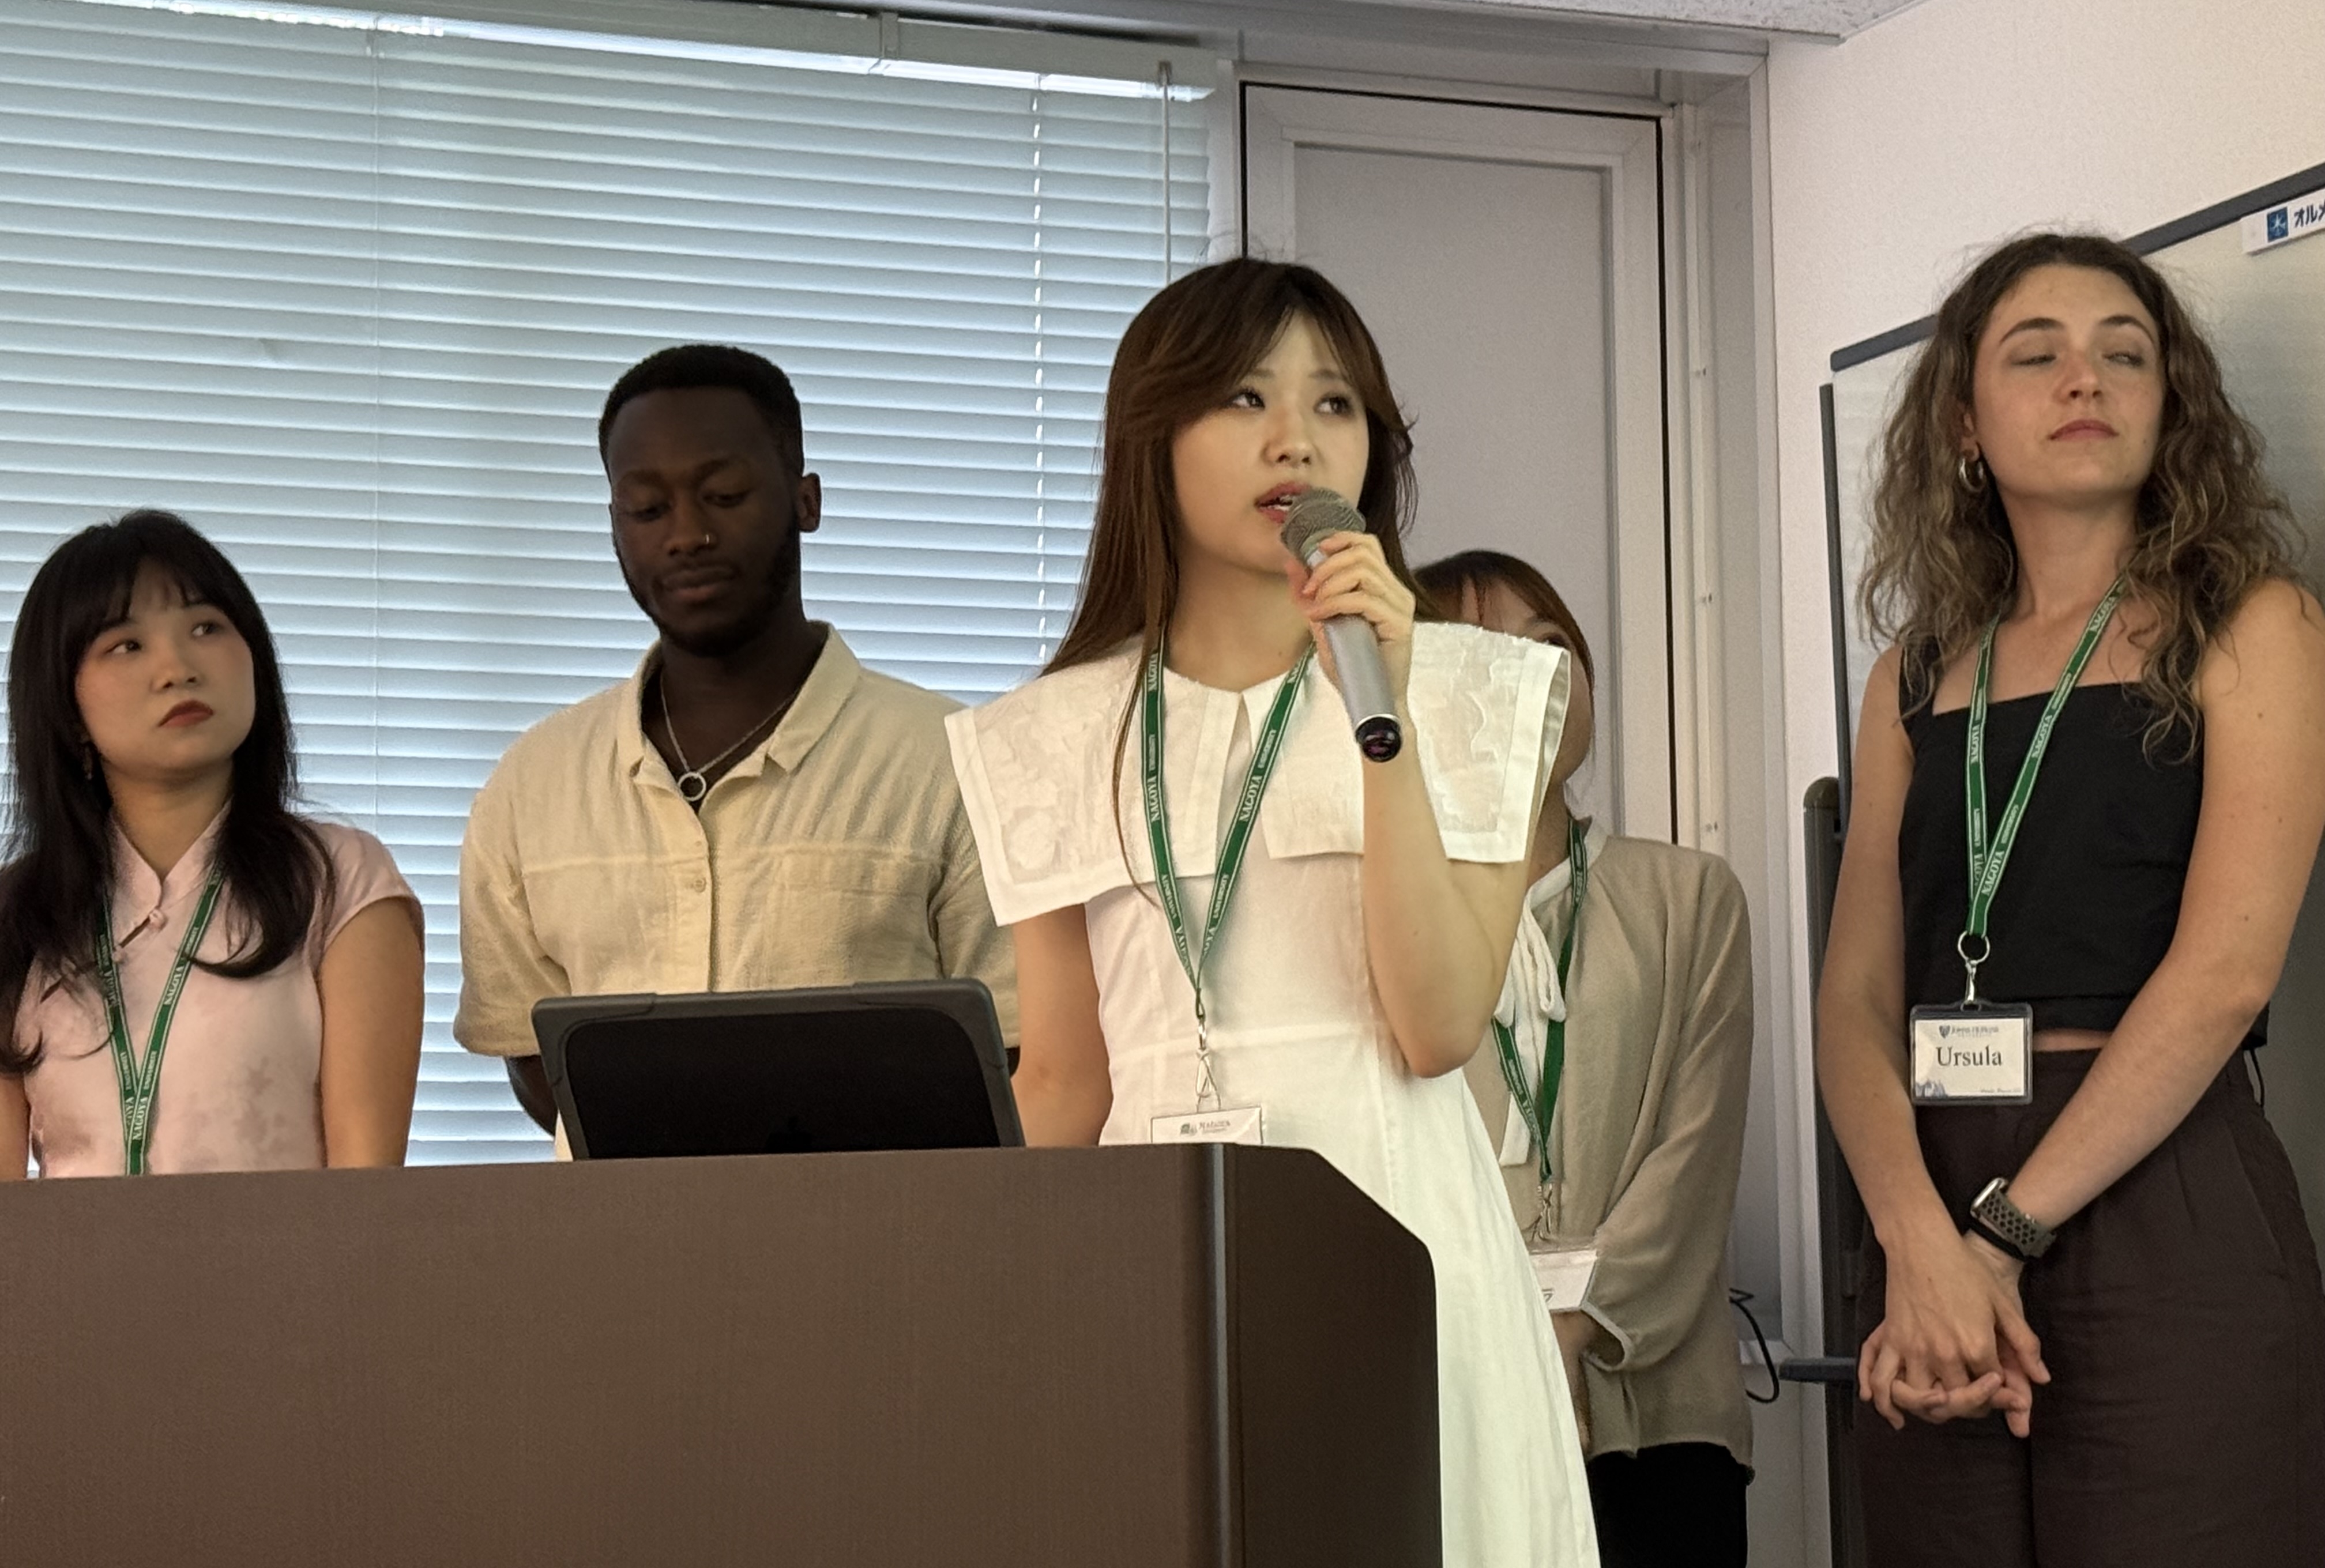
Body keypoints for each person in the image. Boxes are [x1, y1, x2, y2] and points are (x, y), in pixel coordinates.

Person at [944, 259, 1598, 1566]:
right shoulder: (1051, 732)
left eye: (1335, 402)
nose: (1296, 438)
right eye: (1245, 397)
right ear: (1153, 436)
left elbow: (1436, 1027)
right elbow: (1065, 1078)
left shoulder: (1470, 691)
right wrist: (958, 1286)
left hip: (1398, 1242)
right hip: (1139, 1266)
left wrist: (1386, 711)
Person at [1818, 232, 2325, 1566]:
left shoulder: (2251, 625)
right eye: (2035, 355)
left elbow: (2226, 977)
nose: (2084, 379)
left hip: (2162, 1188)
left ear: (2173, 405)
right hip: (1927, 1191)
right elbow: (1855, 996)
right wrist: (1918, 1242)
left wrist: (1999, 1240)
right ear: (1963, 423)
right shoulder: (1914, 670)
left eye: (2125, 354)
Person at [455, 344, 1015, 1131]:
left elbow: (1012, 1049)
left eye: (723, 495)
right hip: (619, 1216)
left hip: (881, 1211)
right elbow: (528, 1050)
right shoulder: (532, 785)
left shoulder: (954, 764)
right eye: (647, 509)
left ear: (806, 501)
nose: (686, 535)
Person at [1418, 548, 1754, 1566]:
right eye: (1483, 647)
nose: (1536, 669)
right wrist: (1499, 1353)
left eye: (1552, 641)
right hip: (1452, 1397)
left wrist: (1569, 1330)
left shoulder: (1689, 895)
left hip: (1661, 1413)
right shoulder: (1394, 925)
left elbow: (1692, 1162)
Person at [0, 511, 425, 1177]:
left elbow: (366, 1193)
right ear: (67, 710)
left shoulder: (342, 878)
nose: (177, 667)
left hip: (293, 1250)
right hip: (72, 1253)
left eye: (205, 627)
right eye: (127, 645)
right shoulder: (19, 915)